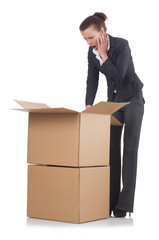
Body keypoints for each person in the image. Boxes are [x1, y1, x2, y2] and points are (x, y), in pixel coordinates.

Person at [79, 12, 145, 218]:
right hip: (114, 103)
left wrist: (105, 54)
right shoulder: (91, 54)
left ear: (102, 32)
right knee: (111, 152)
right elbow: (92, 81)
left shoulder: (122, 45)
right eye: (85, 39)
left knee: (130, 150)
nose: (88, 43)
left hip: (132, 100)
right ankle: (110, 200)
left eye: (90, 37)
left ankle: (124, 205)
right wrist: (89, 105)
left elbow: (122, 76)